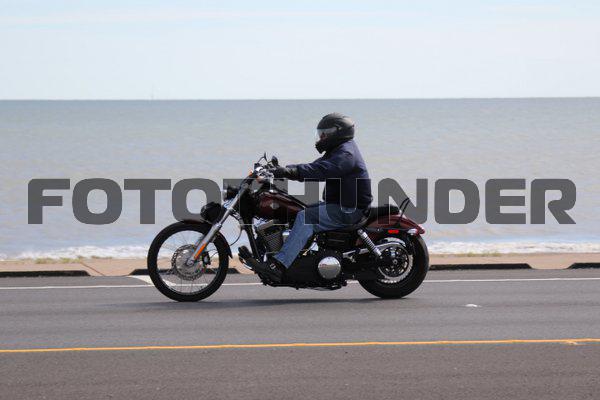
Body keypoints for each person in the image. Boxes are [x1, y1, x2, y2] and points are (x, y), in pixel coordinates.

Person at [246, 113, 372, 282]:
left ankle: (278, 266)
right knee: (297, 210)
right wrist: (283, 169)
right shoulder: (340, 150)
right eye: (321, 133)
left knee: (306, 217)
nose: (321, 137)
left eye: (325, 133)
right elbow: (315, 165)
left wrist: (287, 172)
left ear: (338, 132)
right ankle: (275, 253)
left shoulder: (346, 154)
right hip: (340, 204)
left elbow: (321, 170)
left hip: (349, 209)